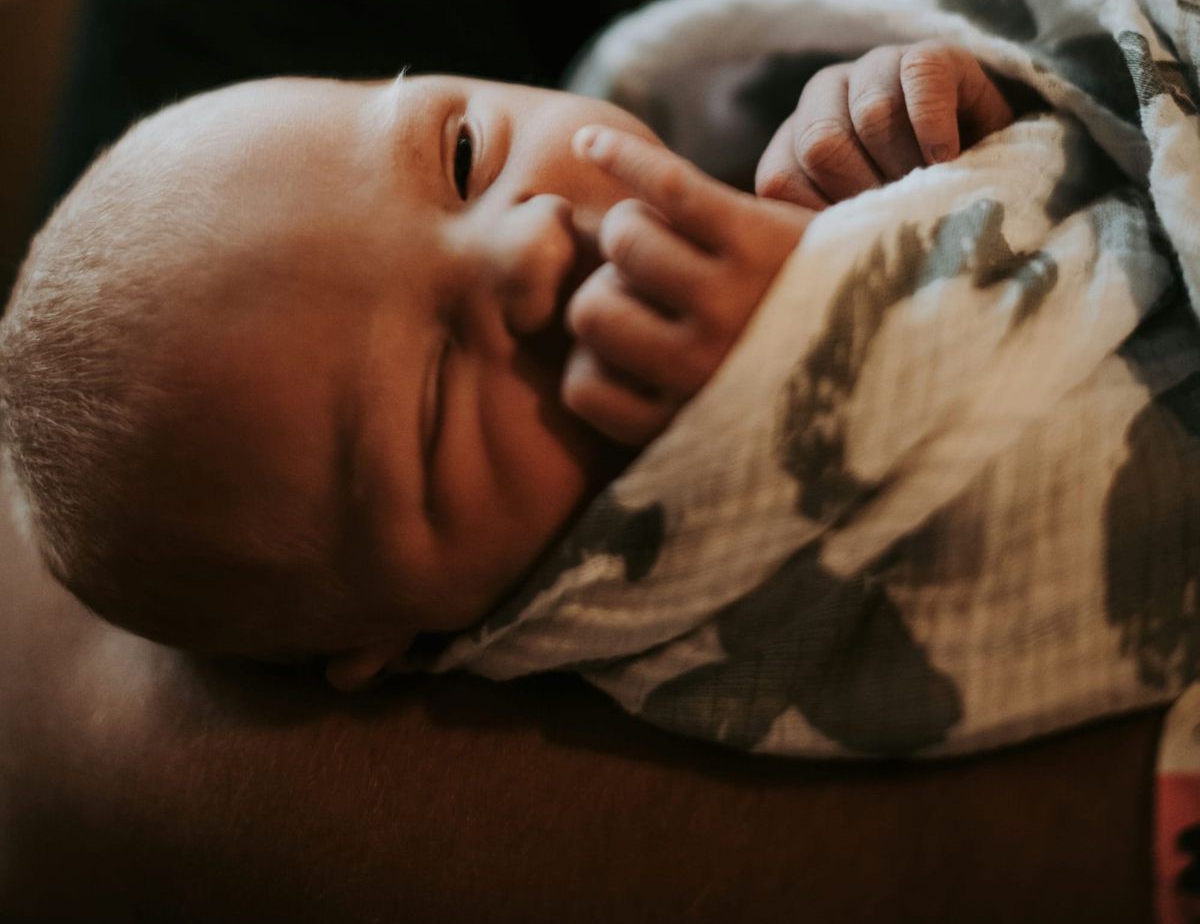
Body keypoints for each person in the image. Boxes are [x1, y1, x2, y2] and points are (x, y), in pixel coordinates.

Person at [0, 41, 1015, 692]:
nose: (524, 248)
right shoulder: (658, 683)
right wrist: (811, 339)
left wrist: (903, 111)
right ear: (384, 639)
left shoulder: (738, 111)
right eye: (433, 399)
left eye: (461, 159)